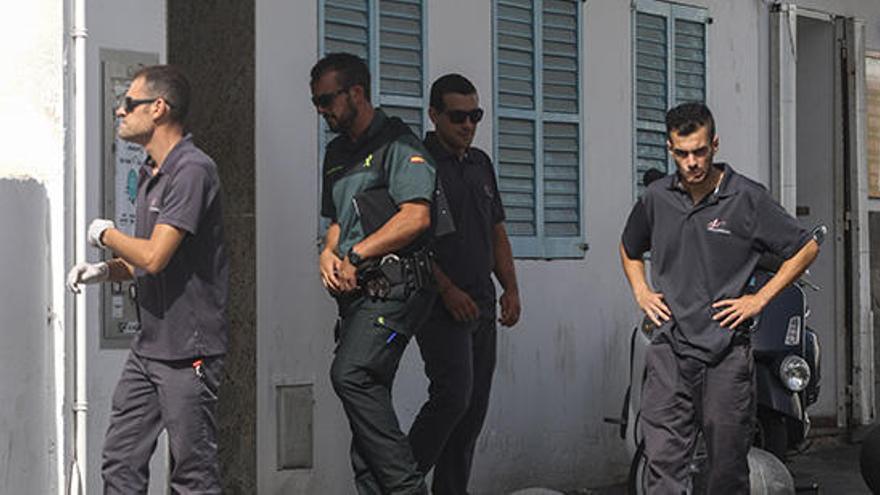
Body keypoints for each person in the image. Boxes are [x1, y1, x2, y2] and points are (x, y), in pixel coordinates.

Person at [620, 102, 819, 493]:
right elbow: (629, 248)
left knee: (726, 470)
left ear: (714, 144)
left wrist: (759, 299)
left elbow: (805, 247)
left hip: (726, 357)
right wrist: (642, 291)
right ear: (669, 149)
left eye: (699, 151)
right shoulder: (656, 198)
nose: (691, 162)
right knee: (663, 465)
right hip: (670, 352)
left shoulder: (746, 198)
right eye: (682, 153)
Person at [65, 65, 228, 494]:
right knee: (120, 460)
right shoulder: (151, 172)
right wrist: (104, 270)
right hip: (150, 347)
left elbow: (154, 257)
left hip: (188, 351)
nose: (120, 111)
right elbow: (145, 258)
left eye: (129, 104)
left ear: (158, 108)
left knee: (193, 474)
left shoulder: (192, 171)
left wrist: (105, 235)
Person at [311, 52, 438, 494]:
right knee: (365, 406)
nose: (322, 111)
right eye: (316, 103)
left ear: (357, 93)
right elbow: (335, 221)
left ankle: (407, 488)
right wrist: (328, 253)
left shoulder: (398, 144)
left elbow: (416, 217)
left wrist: (358, 253)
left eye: (327, 100)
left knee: (352, 375)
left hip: (396, 289)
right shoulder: (335, 153)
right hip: (356, 296)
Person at [407, 74, 520, 494]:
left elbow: (496, 230)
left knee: (471, 413)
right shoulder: (417, 164)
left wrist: (510, 287)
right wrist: (446, 290)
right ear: (434, 114)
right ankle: (395, 481)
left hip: (482, 303)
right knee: (452, 396)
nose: (467, 124)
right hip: (439, 306)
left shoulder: (480, 164)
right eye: (457, 116)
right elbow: (411, 239)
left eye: (475, 115)